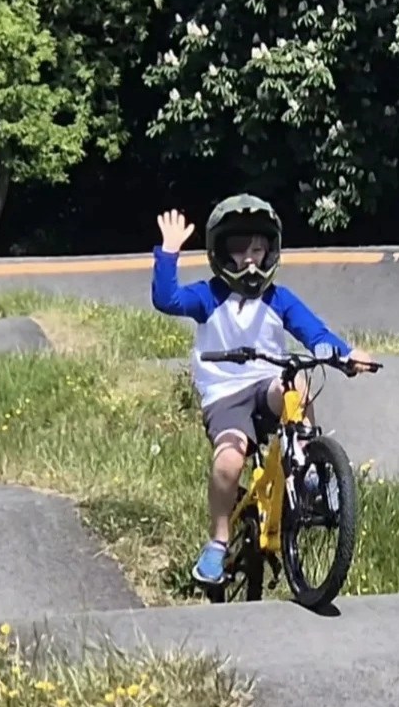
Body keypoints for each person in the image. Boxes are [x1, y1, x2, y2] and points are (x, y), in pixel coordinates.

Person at [151, 193, 374, 587]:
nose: (250, 260)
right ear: (221, 254)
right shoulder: (208, 296)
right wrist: (168, 254)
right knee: (228, 463)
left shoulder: (279, 299)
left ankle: (308, 467)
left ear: (271, 252)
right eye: (240, 251)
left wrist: (345, 355)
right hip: (225, 394)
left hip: (266, 382)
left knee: (296, 383)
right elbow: (167, 299)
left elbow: (314, 334)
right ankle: (218, 542)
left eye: (258, 249)